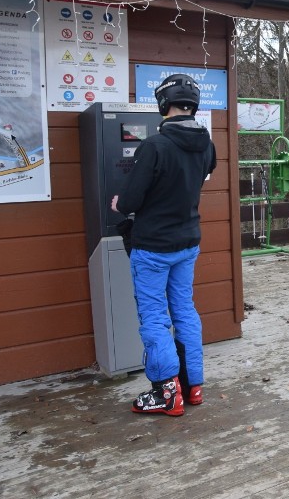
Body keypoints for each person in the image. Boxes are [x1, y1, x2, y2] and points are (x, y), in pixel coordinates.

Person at [111, 74, 217, 416]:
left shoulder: (156, 145)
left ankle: (167, 393)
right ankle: (192, 387)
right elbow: (198, 175)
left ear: (163, 104)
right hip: (187, 241)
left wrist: (119, 204)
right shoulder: (207, 143)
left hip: (154, 247)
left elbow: (129, 200)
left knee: (154, 316)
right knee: (184, 310)